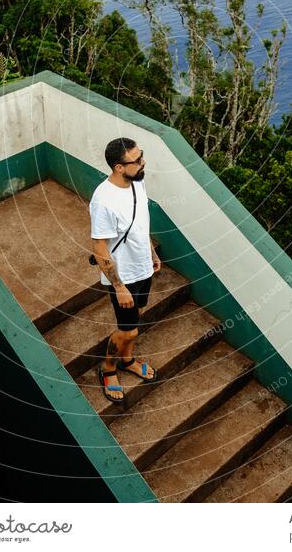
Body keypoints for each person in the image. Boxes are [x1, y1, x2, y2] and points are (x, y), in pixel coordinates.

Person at [89, 137, 161, 403]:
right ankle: (108, 368)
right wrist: (119, 287)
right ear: (119, 167)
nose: (143, 163)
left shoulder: (137, 182)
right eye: (137, 160)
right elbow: (99, 246)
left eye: (142, 156)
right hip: (124, 277)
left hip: (143, 268)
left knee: (136, 318)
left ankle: (127, 359)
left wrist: (151, 251)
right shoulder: (103, 200)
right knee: (128, 329)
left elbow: (140, 222)